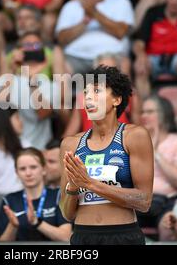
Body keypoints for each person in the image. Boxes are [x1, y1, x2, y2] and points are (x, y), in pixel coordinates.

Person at [59, 65, 154, 245]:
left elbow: (144, 201)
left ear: (117, 99)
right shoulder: (70, 144)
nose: (88, 97)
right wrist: (73, 186)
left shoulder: (135, 136)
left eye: (96, 91)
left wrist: (90, 183)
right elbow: (67, 213)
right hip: (82, 236)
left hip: (123, 236)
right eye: (86, 92)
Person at [55, 0, 134, 75]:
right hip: (74, 57)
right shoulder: (71, 5)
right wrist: (84, 22)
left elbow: (121, 32)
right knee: (59, 62)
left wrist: (95, 13)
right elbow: (61, 39)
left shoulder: (121, 2)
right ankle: (65, 92)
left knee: (107, 65)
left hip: (110, 55)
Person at [136, 95, 177, 230]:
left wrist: (155, 153)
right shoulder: (135, 142)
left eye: (149, 112)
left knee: (168, 225)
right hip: (139, 202)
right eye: (143, 112)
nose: (144, 116)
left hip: (168, 203)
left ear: (163, 115)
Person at [0, 147, 72, 242]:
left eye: (33, 167)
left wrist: (37, 222)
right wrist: (13, 226)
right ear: (17, 173)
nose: (28, 173)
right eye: (22, 169)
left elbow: (66, 237)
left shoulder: (58, 195)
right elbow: (1, 243)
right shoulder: (9, 200)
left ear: (44, 169)